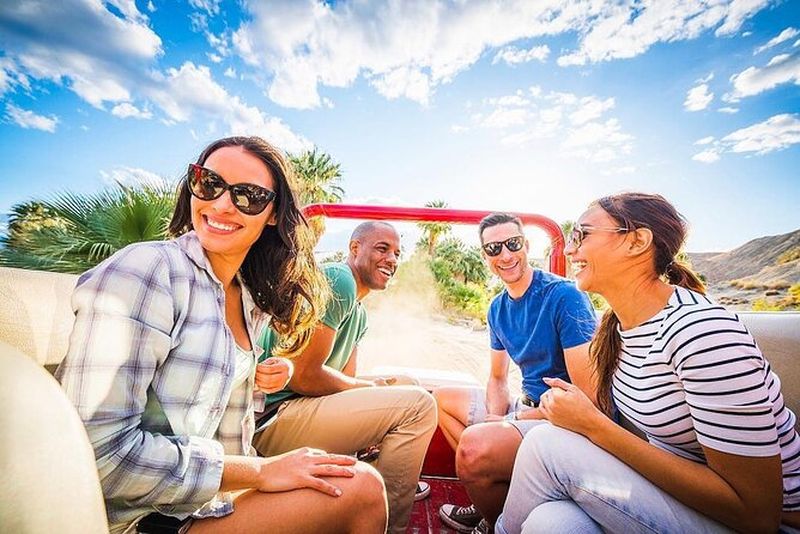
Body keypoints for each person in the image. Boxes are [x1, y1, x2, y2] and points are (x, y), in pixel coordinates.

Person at [56, 136, 388, 534]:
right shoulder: (147, 271)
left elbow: (210, 408)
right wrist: (260, 472)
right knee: (362, 489)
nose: (222, 204)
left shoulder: (246, 295)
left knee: (344, 477)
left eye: (249, 196)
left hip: (203, 502)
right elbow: (96, 454)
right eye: (209, 183)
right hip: (141, 518)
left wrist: (261, 375)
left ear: (273, 214)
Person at [496, 192, 800, 534]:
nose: (569, 250)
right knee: (551, 522)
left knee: (546, 445)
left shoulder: (702, 332)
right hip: (685, 500)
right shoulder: (619, 328)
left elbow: (757, 514)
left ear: (637, 241)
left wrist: (593, 425)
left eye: (582, 234)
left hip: (771, 522)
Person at [252, 221, 437, 534]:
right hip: (272, 417)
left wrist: (374, 388)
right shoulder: (339, 280)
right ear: (355, 248)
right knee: (418, 407)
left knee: (409, 384)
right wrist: (370, 386)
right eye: (382, 248)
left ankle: (385, 476)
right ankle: (387, 522)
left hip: (300, 410)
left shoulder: (359, 312)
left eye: (397, 253)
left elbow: (344, 380)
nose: (391, 259)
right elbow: (304, 377)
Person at [433, 213, 597, 533]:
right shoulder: (497, 308)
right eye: (494, 249)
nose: (505, 255)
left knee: (473, 449)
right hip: (524, 407)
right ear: (485, 256)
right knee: (439, 400)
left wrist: (510, 421)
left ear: (526, 245)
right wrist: (494, 419)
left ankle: (495, 522)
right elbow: (497, 378)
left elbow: (587, 397)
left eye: (513, 244)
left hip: (560, 420)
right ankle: (489, 494)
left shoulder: (564, 296)